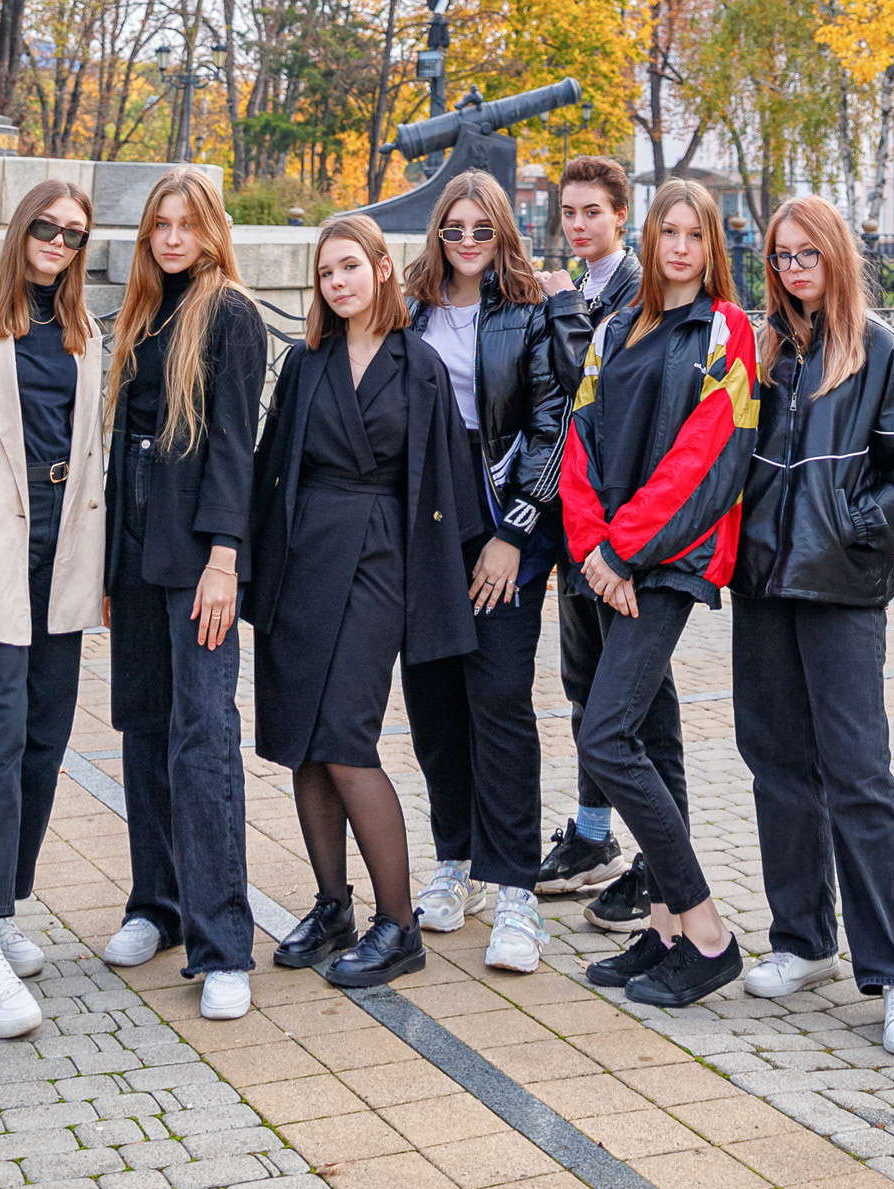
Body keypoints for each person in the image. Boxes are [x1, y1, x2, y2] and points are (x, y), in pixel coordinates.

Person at [247, 212, 479, 990]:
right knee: (303, 741)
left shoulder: (420, 366)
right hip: (301, 558)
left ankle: (399, 924)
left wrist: (440, 590)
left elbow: (445, 485)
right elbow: (271, 467)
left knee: (346, 739)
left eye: (350, 266)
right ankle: (333, 904)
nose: (337, 281)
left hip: (381, 559)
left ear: (382, 268)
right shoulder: (305, 361)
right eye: (325, 272)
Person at [731, 196, 894, 1058]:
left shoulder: (880, 352)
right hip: (763, 582)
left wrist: (861, 527)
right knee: (777, 763)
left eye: (806, 254)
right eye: (781, 256)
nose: (792, 269)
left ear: (836, 255)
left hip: (841, 585)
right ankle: (803, 938)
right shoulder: (764, 349)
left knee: (859, 775)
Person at [558, 180, 759, 1011]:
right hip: (609, 559)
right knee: (652, 736)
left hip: (668, 560)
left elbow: (709, 459)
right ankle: (669, 923)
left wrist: (623, 550)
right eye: (666, 231)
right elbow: (580, 441)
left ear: (711, 244)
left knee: (606, 739)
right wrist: (591, 549)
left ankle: (708, 933)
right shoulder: (615, 327)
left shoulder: (729, 330)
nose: (678, 246)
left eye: (693, 233)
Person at [0, 179, 108, 1039]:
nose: (57, 242)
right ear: (21, 231)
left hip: (65, 555)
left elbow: (93, 457)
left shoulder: (86, 337)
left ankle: (4, 905)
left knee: (45, 739)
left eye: (73, 234)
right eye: (45, 227)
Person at [99, 167, 266, 1022]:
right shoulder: (139, 310)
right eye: (158, 224)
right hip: (134, 553)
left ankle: (223, 940)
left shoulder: (230, 313)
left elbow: (235, 445)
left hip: (198, 555)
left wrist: (224, 559)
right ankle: (155, 904)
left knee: (203, 737)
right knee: (144, 728)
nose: (170, 237)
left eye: (184, 223)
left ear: (210, 229)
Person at [400, 169, 566, 976]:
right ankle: (454, 863)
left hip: (502, 519)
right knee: (433, 703)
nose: (467, 242)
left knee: (498, 701)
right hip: (422, 528)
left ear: (503, 232)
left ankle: (517, 892)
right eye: (454, 229)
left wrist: (513, 531)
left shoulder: (530, 312)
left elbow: (553, 422)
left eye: (481, 229)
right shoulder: (409, 308)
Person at [533, 154, 644, 908]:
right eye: (569, 212)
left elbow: (596, 383)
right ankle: (594, 832)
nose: (577, 224)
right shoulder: (576, 286)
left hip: (623, 524)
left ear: (620, 215)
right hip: (574, 517)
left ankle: (654, 860)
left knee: (631, 700)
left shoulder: (633, 292)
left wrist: (565, 308)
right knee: (583, 686)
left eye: (591, 212)